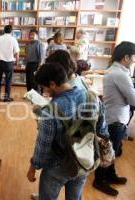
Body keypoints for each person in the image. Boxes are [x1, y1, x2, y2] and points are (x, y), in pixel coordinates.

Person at [27, 62, 108, 200]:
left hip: (57, 165)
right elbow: (101, 128)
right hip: (85, 159)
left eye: (44, 87)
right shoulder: (91, 96)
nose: (44, 91)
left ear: (52, 84)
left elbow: (43, 144)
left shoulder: (51, 110)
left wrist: (33, 167)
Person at [92, 41, 135, 196]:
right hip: (115, 119)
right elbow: (133, 100)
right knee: (108, 152)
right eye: (133, 57)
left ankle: (110, 175)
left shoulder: (115, 70)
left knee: (112, 151)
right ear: (126, 57)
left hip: (114, 117)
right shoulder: (120, 74)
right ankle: (99, 181)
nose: (134, 60)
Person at [0, 25, 19, 102]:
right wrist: (16, 61)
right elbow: (16, 53)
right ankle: (6, 98)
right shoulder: (13, 39)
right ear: (11, 31)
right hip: (9, 63)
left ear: (4, 30)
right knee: (8, 81)